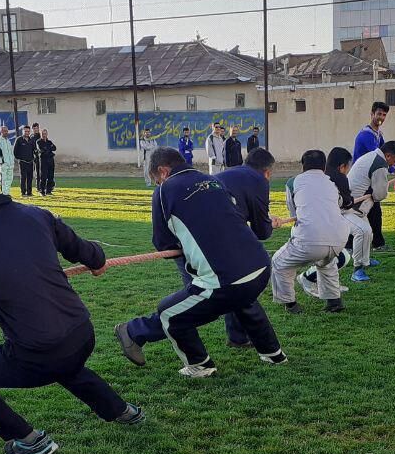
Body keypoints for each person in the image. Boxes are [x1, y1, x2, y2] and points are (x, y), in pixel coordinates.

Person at [0, 171, 145, 454]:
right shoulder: (35, 213)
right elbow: (92, 255)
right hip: (82, 334)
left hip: (38, 353)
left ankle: (28, 440)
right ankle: (122, 411)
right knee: (60, 358)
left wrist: (0, 289)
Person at [115, 147, 286, 378]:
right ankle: (273, 354)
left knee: (169, 312)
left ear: (163, 172)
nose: (157, 184)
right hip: (260, 268)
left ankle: (199, 364)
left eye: (156, 180)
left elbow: (163, 242)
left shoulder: (164, 191)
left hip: (224, 279)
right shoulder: (211, 180)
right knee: (242, 299)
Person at [212, 147, 277, 349]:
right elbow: (262, 232)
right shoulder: (258, 181)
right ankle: (140, 330)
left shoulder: (226, 174)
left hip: (200, 232)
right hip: (221, 236)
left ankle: (237, 337)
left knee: (233, 281)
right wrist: (269, 223)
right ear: (267, 171)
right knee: (244, 281)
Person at [271, 149, 350, 314]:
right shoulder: (331, 182)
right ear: (324, 166)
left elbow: (294, 214)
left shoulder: (293, 182)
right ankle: (334, 301)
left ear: (302, 166)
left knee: (279, 262)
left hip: (310, 238)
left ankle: (290, 305)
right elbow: (340, 203)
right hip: (339, 238)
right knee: (326, 262)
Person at [346, 141, 395, 281]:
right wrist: (382, 191)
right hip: (350, 208)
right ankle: (357, 270)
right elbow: (379, 195)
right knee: (363, 231)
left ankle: (365, 260)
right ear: (388, 156)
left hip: (356, 205)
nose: (393, 164)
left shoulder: (372, 157)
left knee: (368, 232)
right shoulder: (380, 165)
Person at [352, 101, 392, 247]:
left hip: (370, 179)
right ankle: (352, 245)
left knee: (373, 212)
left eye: (384, 115)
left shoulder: (378, 134)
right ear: (372, 114)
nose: (381, 117)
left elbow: (388, 153)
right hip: (361, 181)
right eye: (379, 114)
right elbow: (380, 157)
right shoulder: (366, 135)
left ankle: (377, 242)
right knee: (358, 213)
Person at [13, 126, 36, 197]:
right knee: (23, 177)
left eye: (28, 131)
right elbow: (15, 151)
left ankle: (29, 192)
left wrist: (34, 157)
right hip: (22, 162)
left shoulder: (31, 140)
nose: (27, 133)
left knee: (30, 177)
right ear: (23, 131)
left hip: (30, 162)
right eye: (25, 131)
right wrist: (19, 158)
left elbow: (34, 149)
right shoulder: (19, 140)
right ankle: (23, 192)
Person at [35, 128, 57, 196]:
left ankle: (49, 190)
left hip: (50, 160)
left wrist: (47, 148)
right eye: (43, 134)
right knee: (43, 176)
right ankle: (42, 191)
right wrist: (48, 149)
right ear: (41, 134)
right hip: (43, 161)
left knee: (51, 176)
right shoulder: (39, 141)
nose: (44, 135)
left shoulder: (49, 142)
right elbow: (42, 150)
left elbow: (54, 148)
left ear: (47, 134)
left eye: (45, 134)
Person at [0, 125, 15, 194]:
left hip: (10, 163)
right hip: (4, 163)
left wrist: (12, 161)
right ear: (1, 132)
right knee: (4, 179)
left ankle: (7, 192)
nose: (6, 132)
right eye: (4, 131)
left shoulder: (8, 141)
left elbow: (11, 152)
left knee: (10, 179)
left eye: (7, 131)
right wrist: (1, 162)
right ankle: (4, 193)